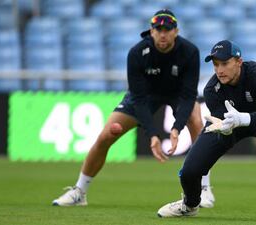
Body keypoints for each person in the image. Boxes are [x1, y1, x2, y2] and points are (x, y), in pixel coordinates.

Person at [52, 9, 215, 208]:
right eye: (158, 29)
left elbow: (189, 95)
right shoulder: (137, 53)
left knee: (197, 123)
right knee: (105, 136)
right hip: (145, 96)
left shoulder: (189, 51)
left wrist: (176, 128)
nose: (163, 34)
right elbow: (138, 98)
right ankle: (79, 191)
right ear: (151, 31)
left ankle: (204, 188)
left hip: (178, 94)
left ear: (176, 31)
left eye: (168, 29)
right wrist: (153, 135)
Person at [157, 40, 256, 222]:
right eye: (216, 64)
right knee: (189, 171)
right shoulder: (212, 89)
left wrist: (244, 118)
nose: (219, 70)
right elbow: (219, 120)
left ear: (239, 62)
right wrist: (225, 130)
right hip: (229, 125)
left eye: (225, 63)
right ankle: (189, 204)